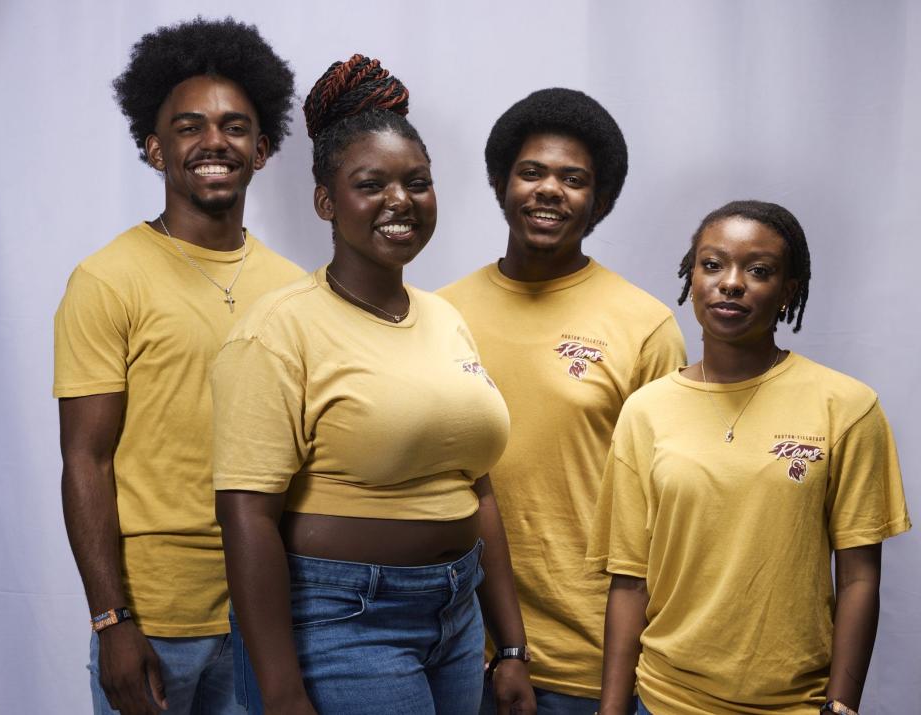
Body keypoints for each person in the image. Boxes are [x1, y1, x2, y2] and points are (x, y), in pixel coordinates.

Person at [211, 54, 536, 715]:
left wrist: (511, 646)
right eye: (372, 184)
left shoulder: (444, 317)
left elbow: (478, 488)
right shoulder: (277, 328)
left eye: (418, 182)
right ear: (327, 201)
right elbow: (245, 515)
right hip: (342, 617)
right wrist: (281, 691)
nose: (400, 201)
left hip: (455, 613)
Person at [54, 18, 304, 715]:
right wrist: (112, 620)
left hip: (270, 613)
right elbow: (86, 459)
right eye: (189, 126)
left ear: (262, 148)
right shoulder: (108, 279)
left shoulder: (296, 289)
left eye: (233, 126)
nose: (213, 141)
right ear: (155, 147)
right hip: (157, 619)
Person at [590, 200, 912, 715]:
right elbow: (630, 581)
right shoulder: (646, 411)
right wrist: (611, 709)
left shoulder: (848, 407)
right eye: (713, 264)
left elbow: (858, 579)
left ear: (789, 291)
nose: (731, 282)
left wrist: (841, 705)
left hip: (795, 704)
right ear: (690, 277)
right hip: (665, 699)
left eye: (758, 270)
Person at [438, 88, 686, 713]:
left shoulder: (644, 326)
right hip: (456, 646)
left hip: (591, 660)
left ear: (599, 201)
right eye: (532, 172)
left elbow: (671, 507)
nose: (550, 190)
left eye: (573, 179)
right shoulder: (438, 315)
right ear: (501, 184)